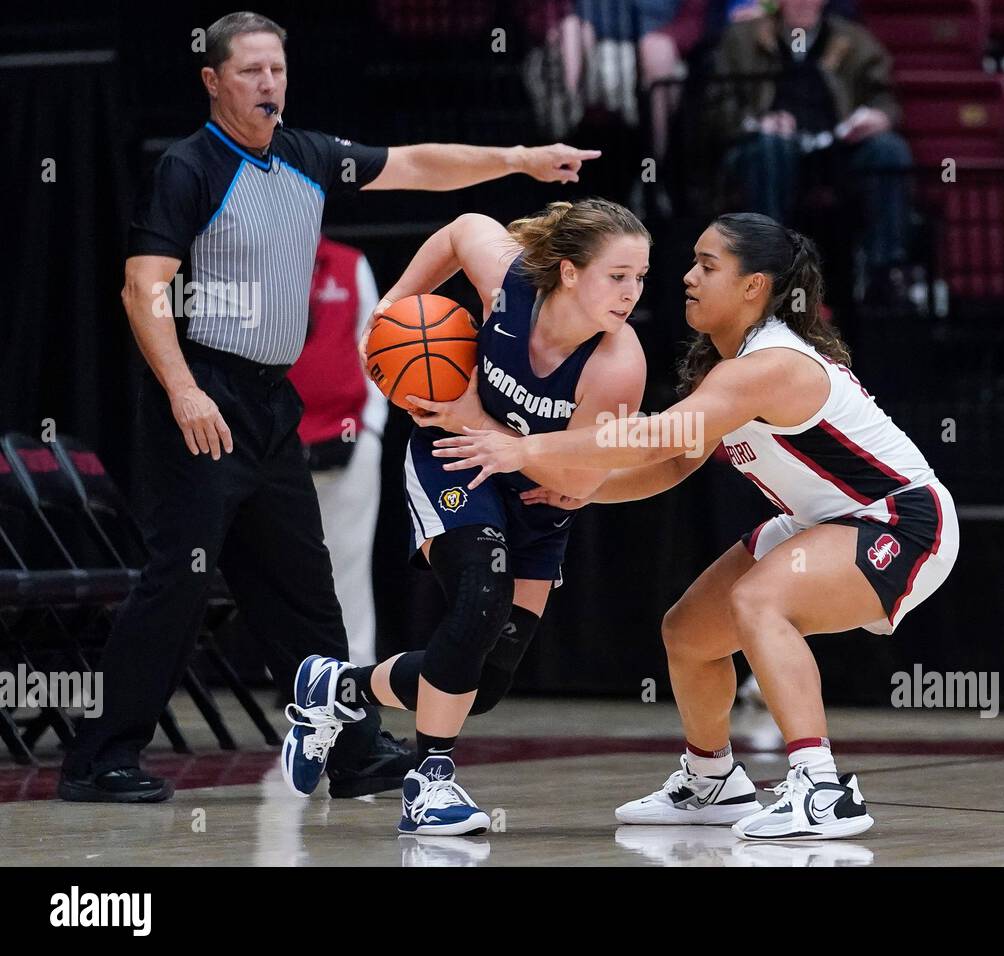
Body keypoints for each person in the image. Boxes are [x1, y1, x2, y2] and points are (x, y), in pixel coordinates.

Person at [58, 10, 601, 804]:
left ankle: (350, 752)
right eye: (250, 71)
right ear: (212, 81)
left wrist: (517, 159)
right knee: (178, 579)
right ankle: (100, 758)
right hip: (202, 389)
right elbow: (143, 290)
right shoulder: (189, 168)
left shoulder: (309, 155)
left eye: (277, 68)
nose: (268, 84)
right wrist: (182, 389)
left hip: (273, 401)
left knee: (305, 584)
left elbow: (417, 164)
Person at [436, 213, 959, 841]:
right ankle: (711, 780)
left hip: (901, 521)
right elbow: (677, 461)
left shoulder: (768, 366)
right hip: (822, 521)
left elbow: (659, 435)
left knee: (758, 600)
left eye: (707, 266)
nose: (686, 277)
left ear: (753, 286)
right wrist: (586, 492)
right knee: (688, 633)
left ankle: (822, 790)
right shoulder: (729, 364)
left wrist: (527, 450)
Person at [281, 199, 649, 836]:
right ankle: (429, 783)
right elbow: (458, 232)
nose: (631, 293)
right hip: (452, 460)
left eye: (640, 277)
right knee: (481, 599)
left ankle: (339, 688)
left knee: (486, 683)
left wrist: (484, 423)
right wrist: (389, 305)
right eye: (617, 276)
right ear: (567, 272)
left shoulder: (618, 366)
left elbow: (578, 483)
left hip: (537, 496)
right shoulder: (508, 282)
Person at [708, 0, 912, 290]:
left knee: (888, 150)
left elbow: (884, 97)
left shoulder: (854, 40)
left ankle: (887, 271)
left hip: (836, 147)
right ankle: (771, 269)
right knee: (770, 150)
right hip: (768, 149)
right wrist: (758, 123)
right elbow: (715, 110)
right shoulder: (742, 38)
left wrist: (880, 116)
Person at [287, 236, 386, 666]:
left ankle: (355, 673)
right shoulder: (251, 266)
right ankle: (299, 669)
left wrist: (372, 430)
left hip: (347, 437)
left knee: (348, 561)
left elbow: (376, 345)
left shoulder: (350, 263)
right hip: (276, 444)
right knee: (285, 566)